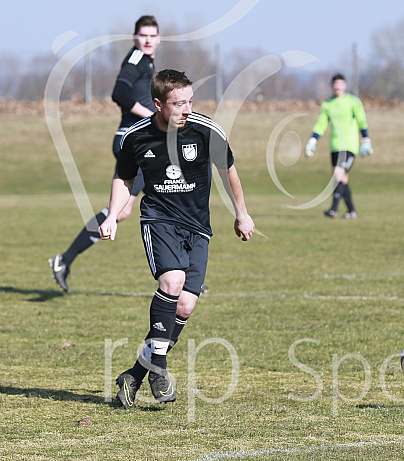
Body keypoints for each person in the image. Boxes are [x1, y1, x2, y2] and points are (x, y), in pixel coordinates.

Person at [99, 69, 255, 409]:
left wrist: (241, 214)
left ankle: (134, 375)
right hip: (159, 220)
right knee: (172, 281)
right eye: (178, 103)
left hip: (197, 226)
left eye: (190, 101)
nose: (187, 109)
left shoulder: (206, 130)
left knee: (185, 305)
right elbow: (123, 179)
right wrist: (112, 215)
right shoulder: (136, 136)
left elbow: (229, 170)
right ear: (158, 104)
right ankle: (160, 367)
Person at [48, 15, 160, 292]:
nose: (147, 40)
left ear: (158, 38)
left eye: (152, 35)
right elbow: (119, 93)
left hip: (136, 141)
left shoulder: (147, 62)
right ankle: (183, 275)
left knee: (121, 211)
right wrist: (153, 116)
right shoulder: (136, 60)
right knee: (169, 193)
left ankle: (64, 260)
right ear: (135, 37)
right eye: (142, 35)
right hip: (133, 141)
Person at [305, 73, 372, 220]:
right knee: (343, 179)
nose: (338, 86)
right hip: (335, 146)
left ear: (345, 85)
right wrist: (313, 140)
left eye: (340, 83)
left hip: (350, 145)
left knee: (338, 174)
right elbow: (321, 124)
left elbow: (361, 120)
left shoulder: (353, 102)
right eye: (335, 83)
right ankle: (351, 211)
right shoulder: (327, 104)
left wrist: (366, 139)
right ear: (332, 86)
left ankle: (333, 209)